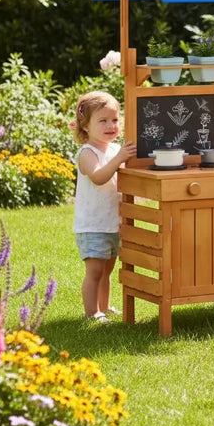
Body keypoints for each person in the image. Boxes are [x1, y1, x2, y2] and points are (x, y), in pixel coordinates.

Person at [71, 91, 136, 322]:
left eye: (115, 120)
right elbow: (98, 177)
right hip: (93, 224)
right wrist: (119, 159)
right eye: (103, 121)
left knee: (107, 270)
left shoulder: (112, 149)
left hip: (112, 222)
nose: (111, 125)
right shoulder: (87, 153)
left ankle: (104, 306)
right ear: (85, 126)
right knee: (95, 271)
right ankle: (92, 312)